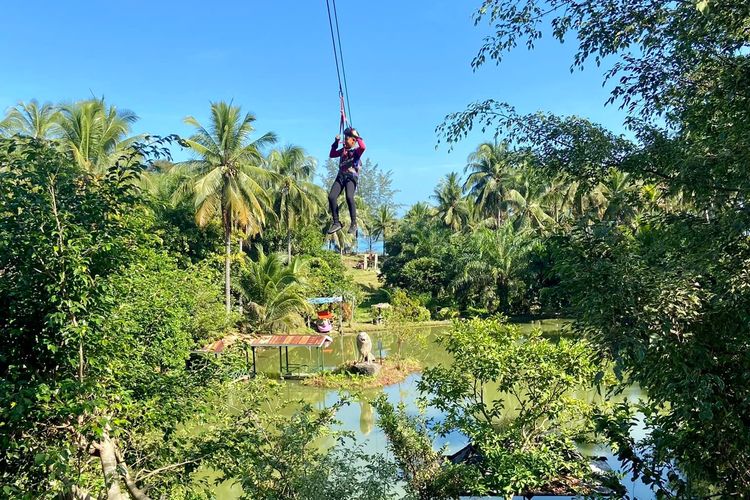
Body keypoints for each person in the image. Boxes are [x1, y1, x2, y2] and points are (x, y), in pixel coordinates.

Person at [327, 127, 365, 234]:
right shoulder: (343, 151)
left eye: (347, 138)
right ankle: (336, 222)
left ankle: (353, 223)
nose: (345, 140)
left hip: (351, 177)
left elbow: (363, 147)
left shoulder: (356, 151)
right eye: (345, 137)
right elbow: (332, 154)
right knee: (331, 197)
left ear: (353, 140)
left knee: (349, 197)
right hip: (341, 177)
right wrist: (335, 142)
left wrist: (357, 136)